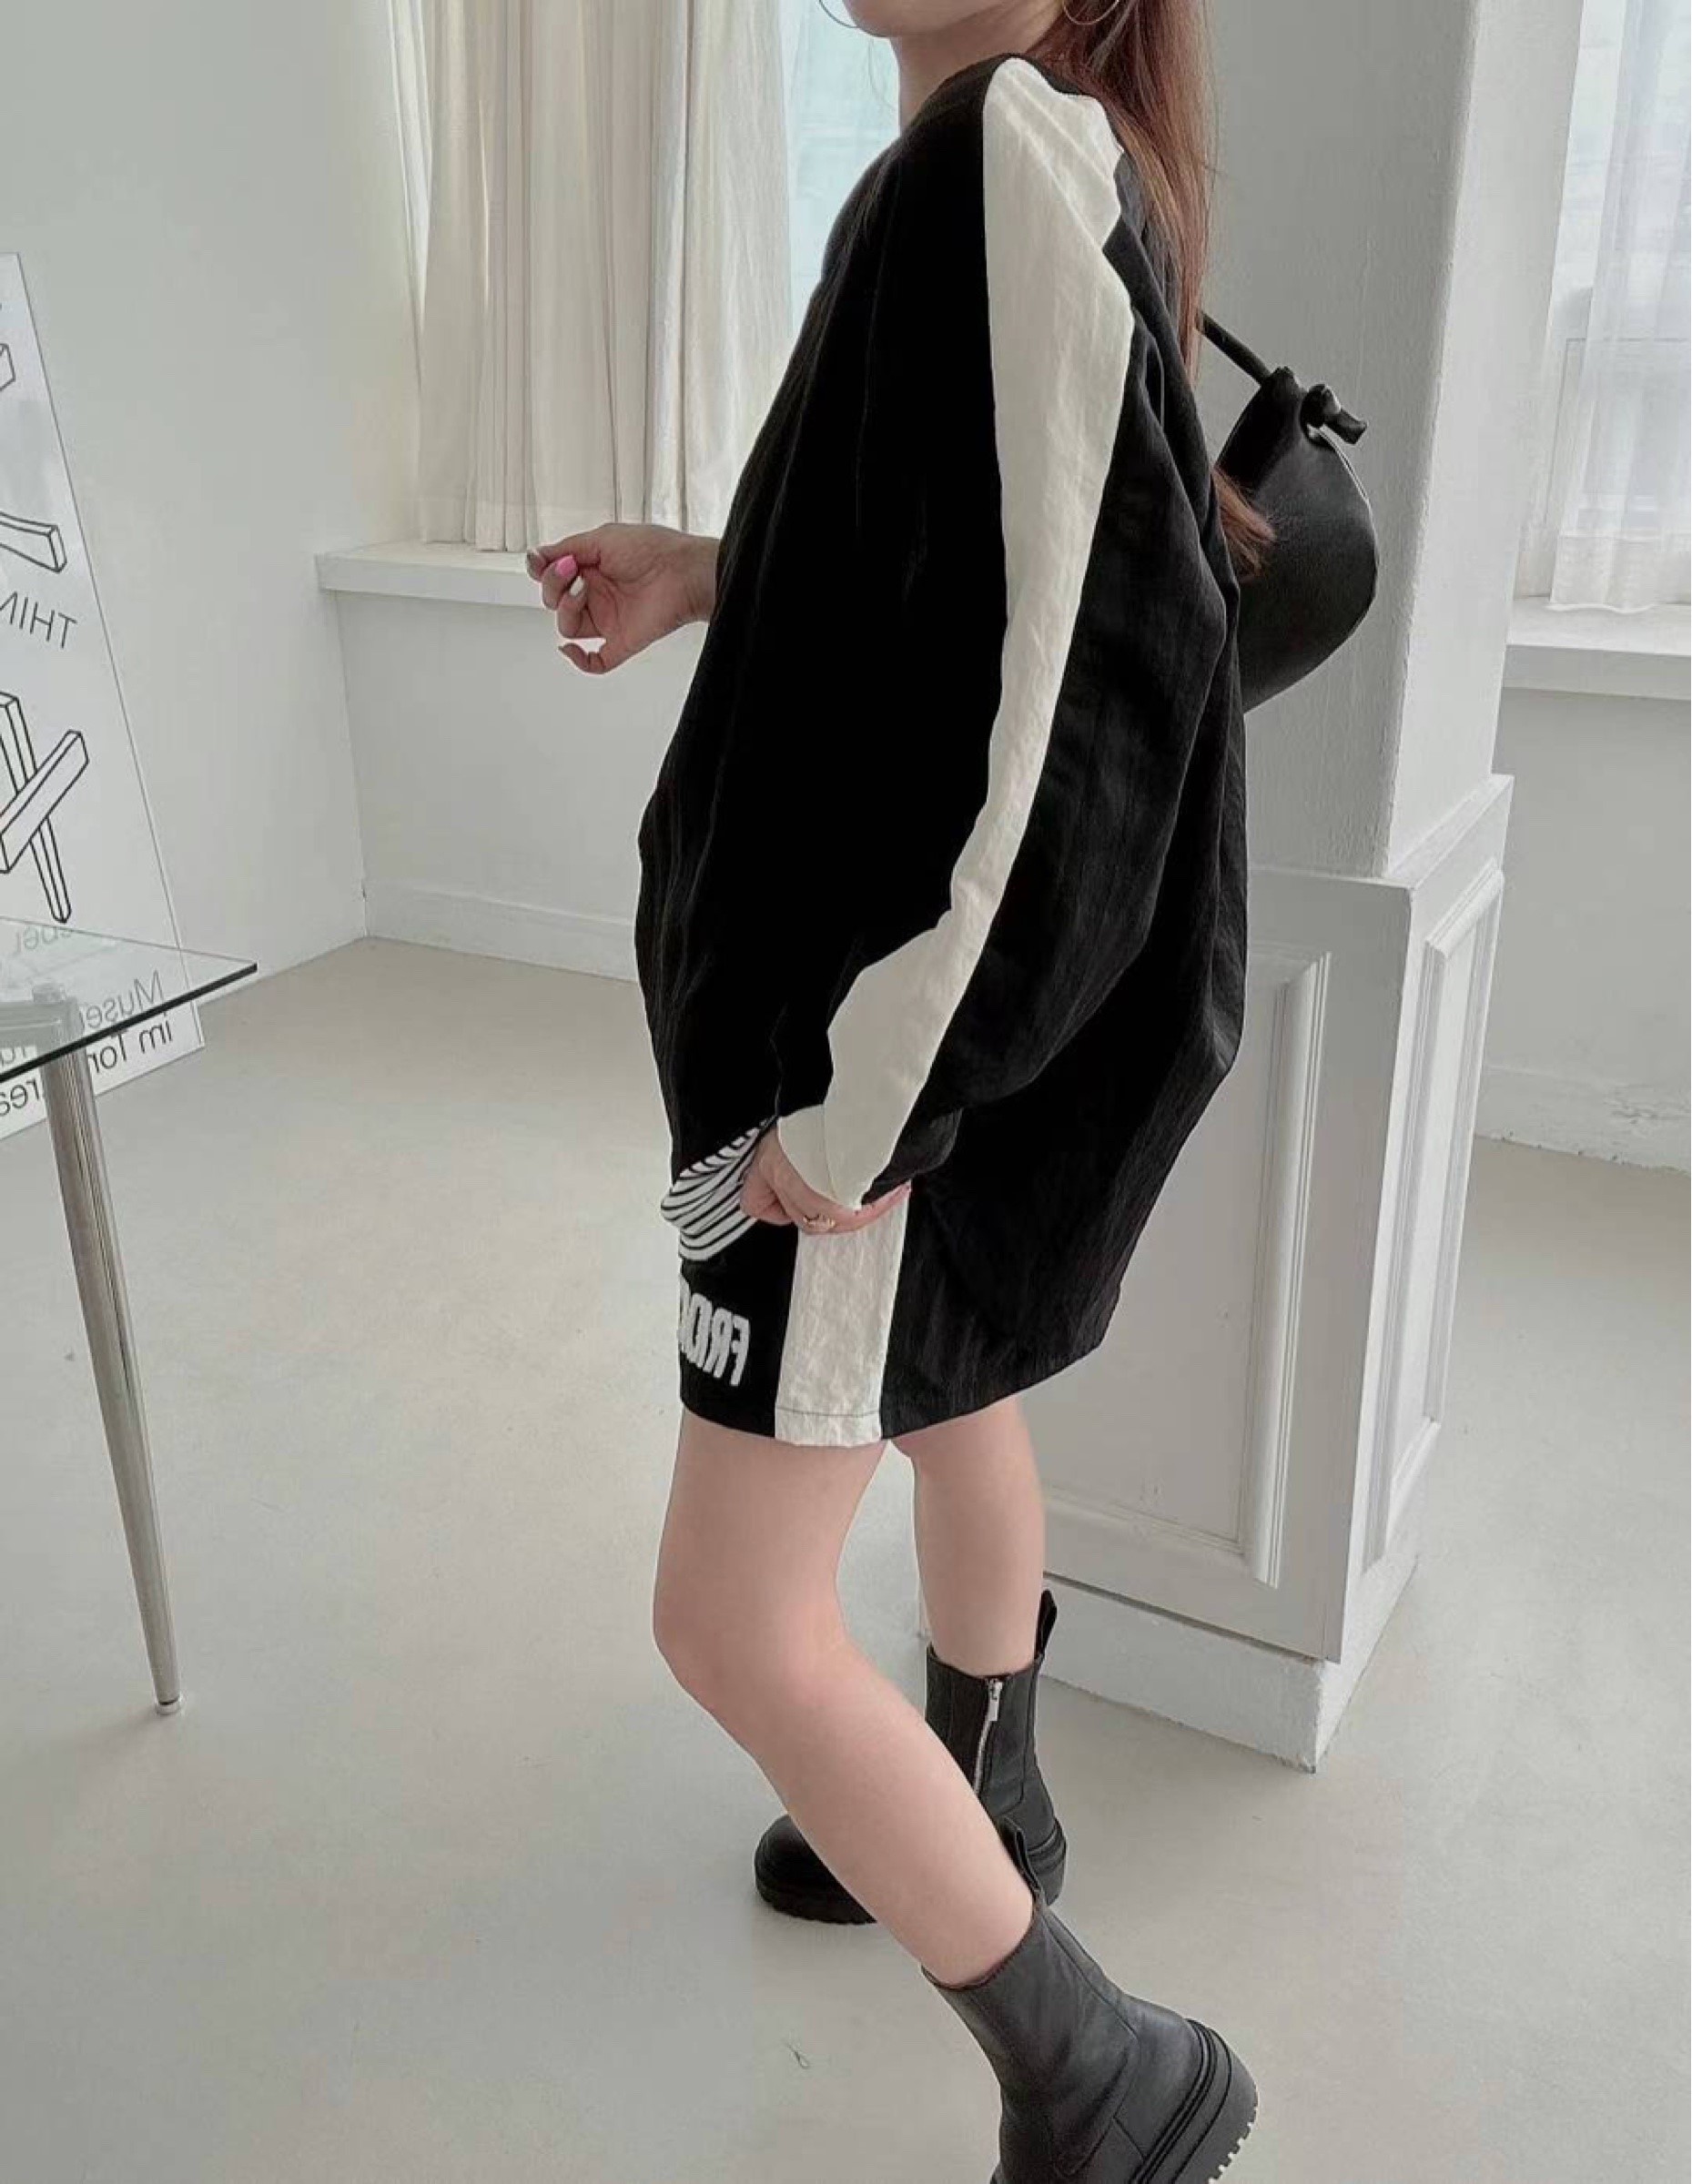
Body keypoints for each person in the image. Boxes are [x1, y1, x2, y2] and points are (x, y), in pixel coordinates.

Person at [528, 3, 1267, 2175]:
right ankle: (985, 1793)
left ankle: (1107, 2070)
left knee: (728, 1621)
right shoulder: (971, 162)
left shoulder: (1006, 159)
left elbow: (1089, 708)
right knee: (945, 1397)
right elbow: (945, 597)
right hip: (863, 1049)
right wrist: (716, 570)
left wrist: (862, 1118)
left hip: (851, 1072)